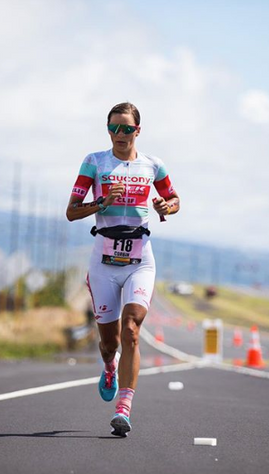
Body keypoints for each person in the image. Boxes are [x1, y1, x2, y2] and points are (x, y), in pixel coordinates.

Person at [66, 102, 180, 437]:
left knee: (131, 329)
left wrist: (165, 206)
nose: (120, 134)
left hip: (140, 259)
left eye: (126, 129)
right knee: (109, 342)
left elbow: (174, 200)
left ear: (138, 131)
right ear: (107, 130)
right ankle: (109, 367)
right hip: (103, 262)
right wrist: (100, 203)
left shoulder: (153, 165)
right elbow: (72, 212)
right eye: (114, 128)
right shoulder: (95, 162)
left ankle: (124, 407)